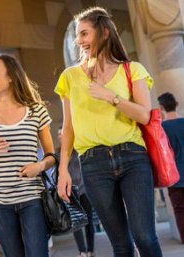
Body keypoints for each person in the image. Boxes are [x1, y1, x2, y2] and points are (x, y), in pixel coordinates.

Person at [55, 6, 163, 257]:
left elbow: (144, 114)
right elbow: (68, 126)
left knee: (145, 237)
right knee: (121, 245)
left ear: (103, 33)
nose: (78, 41)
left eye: (84, 34)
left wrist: (111, 98)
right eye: (76, 35)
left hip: (133, 157)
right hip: (93, 164)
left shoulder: (132, 69)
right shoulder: (70, 77)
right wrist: (63, 171)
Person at [0, 54, 55, 257]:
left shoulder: (36, 111)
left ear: (11, 76)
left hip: (32, 197)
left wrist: (39, 166)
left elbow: (51, 155)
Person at [57, 128, 95, 257]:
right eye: (59, 135)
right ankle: (82, 251)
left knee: (88, 221)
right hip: (70, 192)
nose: (61, 136)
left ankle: (90, 250)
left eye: (62, 133)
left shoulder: (78, 148)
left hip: (84, 189)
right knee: (76, 222)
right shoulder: (59, 154)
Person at [157, 92, 184, 244]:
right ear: (176, 103)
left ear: (161, 107)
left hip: (174, 176)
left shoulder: (161, 128)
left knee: (179, 210)